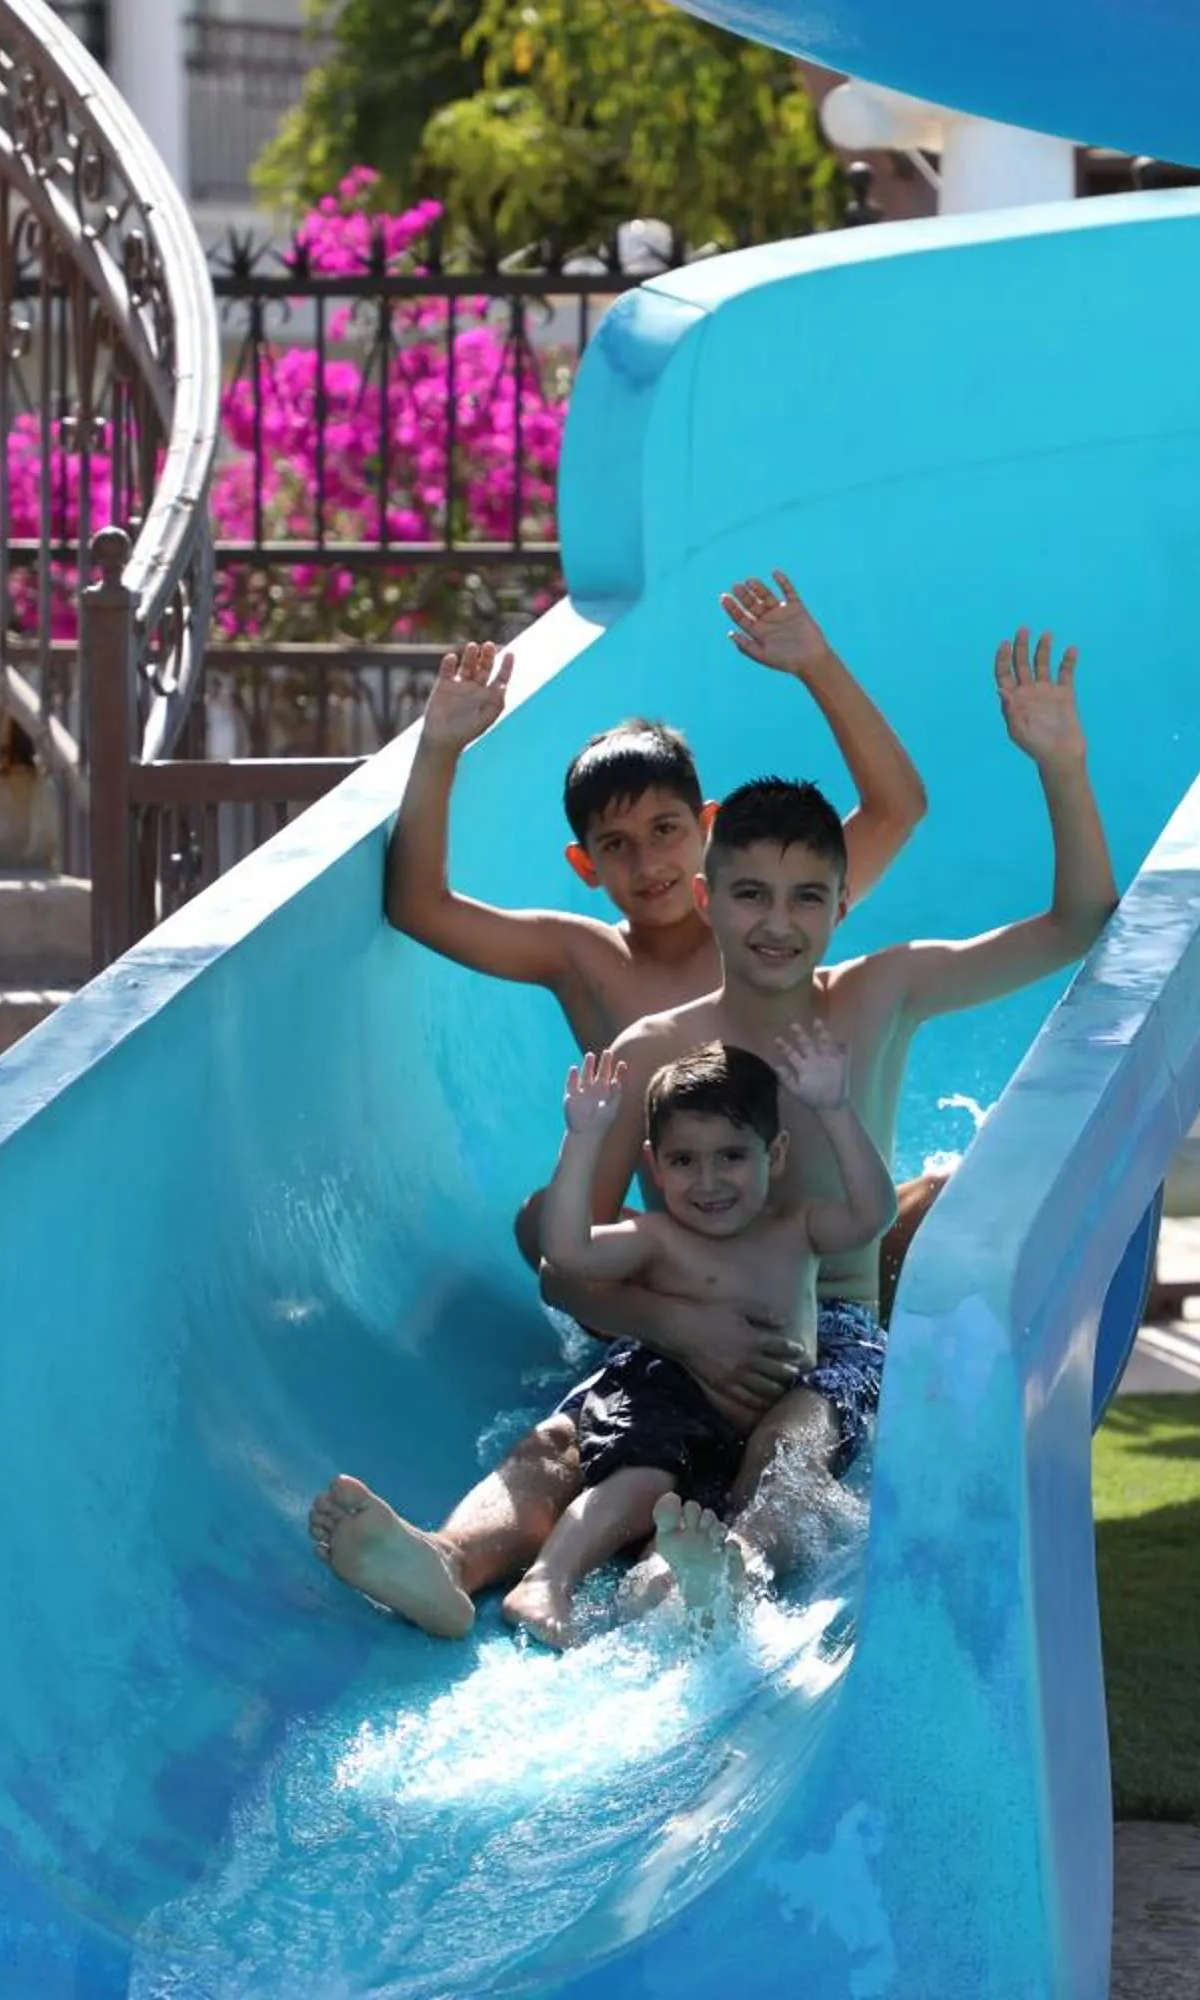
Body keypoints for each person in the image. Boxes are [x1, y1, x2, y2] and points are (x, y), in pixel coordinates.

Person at [310, 629, 1115, 1636]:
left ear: (838, 905)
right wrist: (677, 1323)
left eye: (806, 899)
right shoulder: (653, 1044)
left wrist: (1063, 764)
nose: (776, 921)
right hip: (681, 1319)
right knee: (559, 1442)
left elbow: (1079, 920)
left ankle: (716, 1569)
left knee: (795, 1443)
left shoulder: (879, 993)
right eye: (750, 896)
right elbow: (567, 1257)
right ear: (710, 895)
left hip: (828, 1329)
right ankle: (446, 1557)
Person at [383, 571, 926, 1055]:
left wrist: (818, 667)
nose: (647, 862)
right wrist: (438, 748)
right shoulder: (585, 959)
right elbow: (418, 908)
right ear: (585, 865)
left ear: (708, 827)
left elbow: (897, 809)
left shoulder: (768, 913)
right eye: (616, 844)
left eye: (665, 829)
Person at [500, 1032, 895, 1648]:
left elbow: (874, 1213)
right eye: (684, 1161)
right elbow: (567, 1250)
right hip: (679, 1405)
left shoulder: (798, 1229)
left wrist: (836, 1107)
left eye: (732, 1155)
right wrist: (582, 1139)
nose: (708, 1180)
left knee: (760, 1490)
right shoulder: (657, 1239)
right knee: (633, 1480)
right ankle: (547, 1581)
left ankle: (686, 1582)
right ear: (655, 1164)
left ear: (777, 1153)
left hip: (762, 1418)